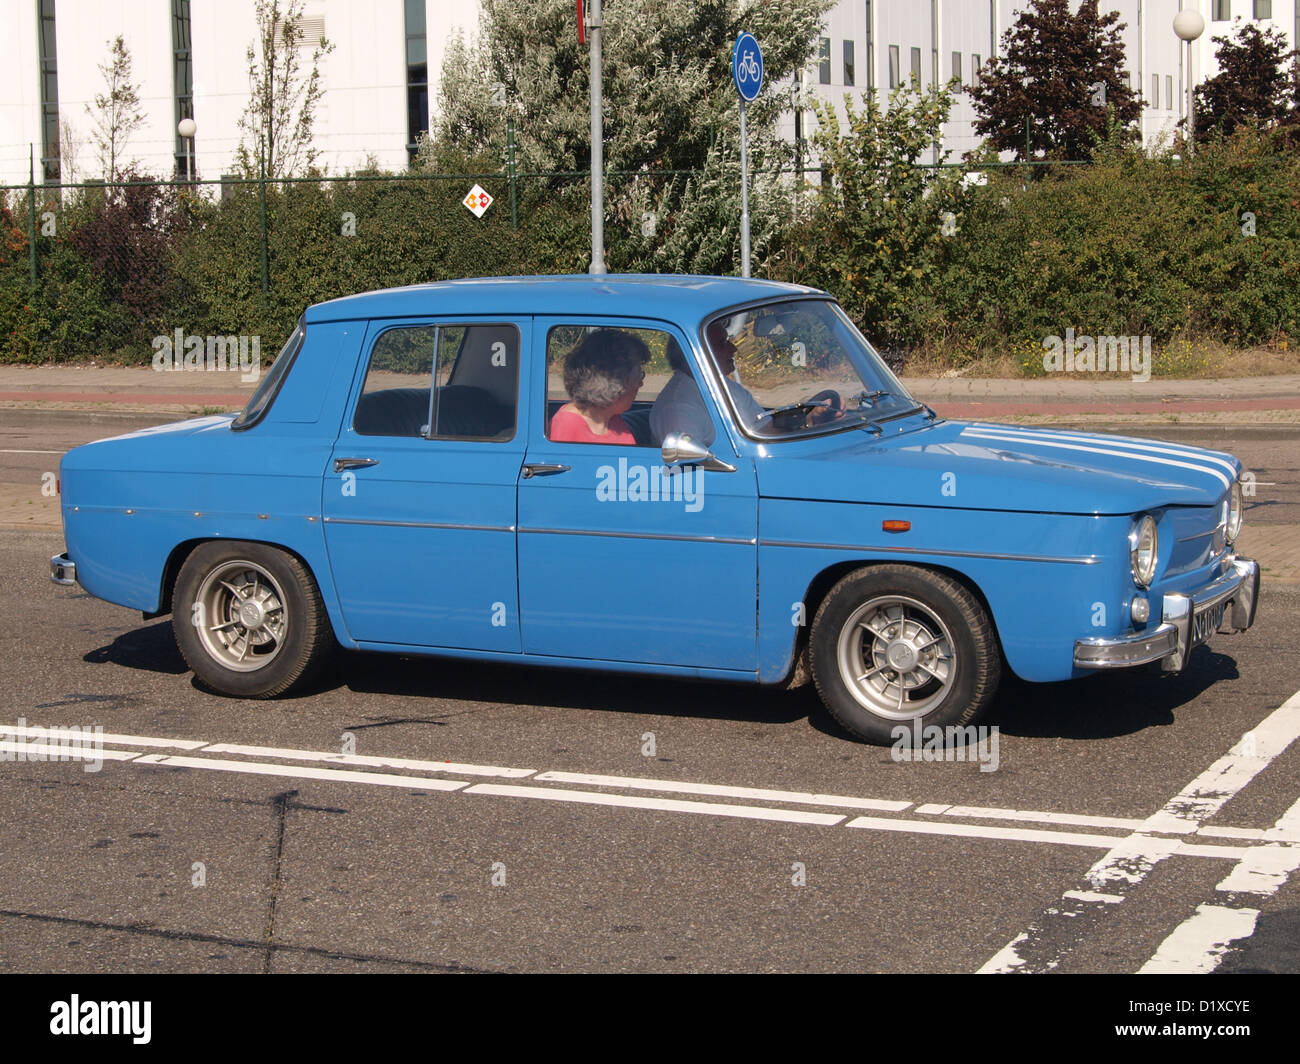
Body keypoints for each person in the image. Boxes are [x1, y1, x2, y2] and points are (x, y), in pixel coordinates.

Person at [651, 319, 764, 447]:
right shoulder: (679, 406)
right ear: (694, 354)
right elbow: (690, 463)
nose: (733, 348)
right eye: (721, 344)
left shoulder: (724, 385)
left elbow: (764, 428)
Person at [549, 329, 648, 444]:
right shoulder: (568, 426)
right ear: (615, 383)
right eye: (638, 376)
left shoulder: (613, 419)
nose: (641, 384)